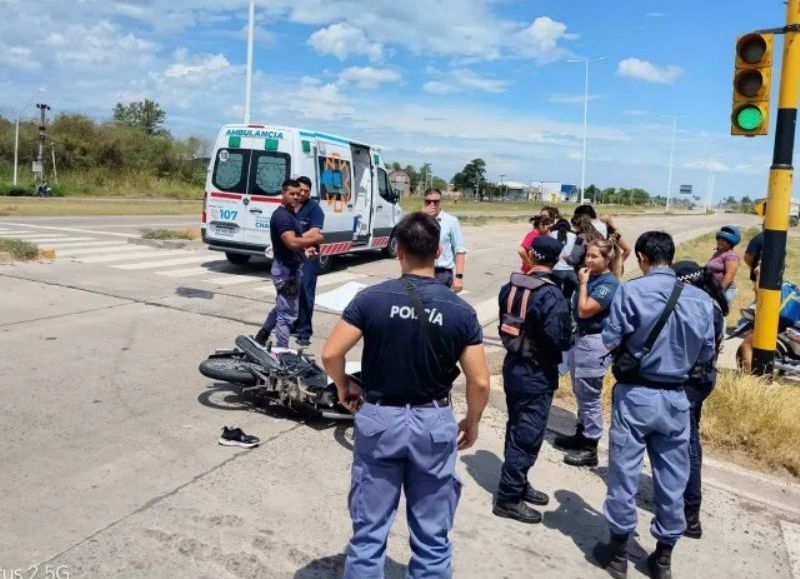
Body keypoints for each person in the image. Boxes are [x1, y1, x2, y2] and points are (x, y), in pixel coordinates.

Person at [322, 212, 490, 578]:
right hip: (433, 425)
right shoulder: (460, 311)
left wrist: (343, 386)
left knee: (368, 536)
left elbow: (331, 354)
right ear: (439, 250)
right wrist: (471, 421)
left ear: (398, 250)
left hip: (380, 420)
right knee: (432, 537)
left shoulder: (372, 299)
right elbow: (479, 382)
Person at [592, 231, 716, 579]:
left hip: (636, 395)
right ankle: (663, 557)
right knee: (673, 478)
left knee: (624, 472)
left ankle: (617, 553)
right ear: (671, 258)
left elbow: (610, 338)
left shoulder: (631, 290)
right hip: (677, 398)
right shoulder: (701, 301)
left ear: (644, 258)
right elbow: (706, 353)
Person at [494, 236, 573, 524]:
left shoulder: (511, 286)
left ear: (529, 255)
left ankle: (518, 480)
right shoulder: (551, 295)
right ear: (556, 260)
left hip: (514, 366)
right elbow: (561, 339)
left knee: (516, 427)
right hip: (536, 372)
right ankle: (508, 497)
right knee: (527, 435)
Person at [670, 261, 728, 540]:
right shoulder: (711, 303)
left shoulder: (697, 307)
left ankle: (690, 514)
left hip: (691, 381)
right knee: (689, 437)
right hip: (703, 380)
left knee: (688, 441)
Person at [554, 238, 622, 467]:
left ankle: (590, 446)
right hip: (580, 340)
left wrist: (582, 284)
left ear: (607, 259)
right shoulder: (590, 276)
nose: (589, 260)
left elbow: (584, 311)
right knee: (580, 390)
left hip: (595, 342)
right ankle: (581, 433)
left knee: (590, 395)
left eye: (595, 256)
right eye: (588, 255)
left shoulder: (608, 284)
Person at [255, 179, 323, 348]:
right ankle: (282, 351)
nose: (296, 197)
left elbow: (294, 247)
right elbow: (291, 242)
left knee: (282, 307)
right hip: (286, 271)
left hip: (291, 268)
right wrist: (315, 239)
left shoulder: (291, 213)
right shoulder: (282, 216)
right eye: (291, 194)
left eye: (298, 194)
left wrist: (306, 251)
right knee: (288, 315)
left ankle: (262, 335)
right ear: (283, 194)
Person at [292, 175, 325, 346]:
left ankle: (304, 332)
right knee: (290, 291)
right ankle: (292, 324)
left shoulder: (314, 209)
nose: (303, 193)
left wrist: (295, 240)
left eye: (306, 191)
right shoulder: (291, 206)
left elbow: (315, 232)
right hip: (292, 256)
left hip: (309, 256)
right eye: (301, 190)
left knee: (306, 292)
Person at [423, 188, 466, 292]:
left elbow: (459, 250)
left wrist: (459, 277)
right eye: (428, 202)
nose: (432, 204)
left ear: (440, 202)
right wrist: (423, 218)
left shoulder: (451, 221)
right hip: (422, 271)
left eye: (436, 201)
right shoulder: (419, 221)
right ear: (424, 202)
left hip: (442, 273)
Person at [706, 225, 741, 305]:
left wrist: (719, 293)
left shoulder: (731, 256)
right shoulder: (718, 253)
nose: (720, 241)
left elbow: (730, 275)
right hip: (713, 289)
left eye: (724, 240)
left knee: (718, 315)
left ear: (730, 243)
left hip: (724, 291)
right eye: (719, 239)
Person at [550, 218, 578, 302]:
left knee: (555, 294)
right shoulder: (573, 235)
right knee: (568, 296)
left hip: (556, 268)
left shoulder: (553, 234)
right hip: (570, 269)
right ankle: (567, 312)